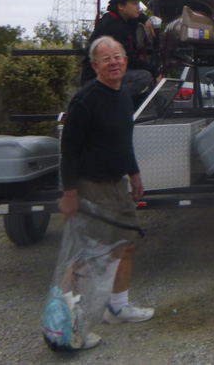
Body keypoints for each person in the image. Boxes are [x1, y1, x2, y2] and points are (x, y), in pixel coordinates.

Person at [59, 36, 154, 349]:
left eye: (118, 56)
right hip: (90, 186)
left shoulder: (124, 95)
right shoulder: (85, 100)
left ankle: (118, 307)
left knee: (125, 245)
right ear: (95, 65)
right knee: (86, 258)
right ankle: (67, 326)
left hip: (117, 184)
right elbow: (68, 149)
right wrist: (70, 192)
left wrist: (134, 171)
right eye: (106, 58)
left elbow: (124, 140)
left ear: (126, 61)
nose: (114, 62)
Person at [81, 0, 160, 103]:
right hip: (95, 79)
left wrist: (145, 19)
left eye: (138, 3)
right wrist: (154, 71)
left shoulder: (120, 19)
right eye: (134, 4)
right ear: (121, 6)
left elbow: (137, 15)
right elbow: (129, 59)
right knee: (144, 77)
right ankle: (107, 101)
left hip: (105, 75)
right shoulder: (114, 26)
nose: (138, 7)